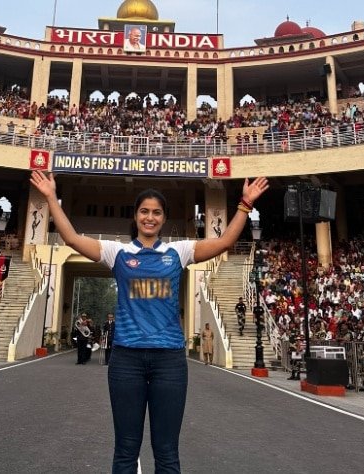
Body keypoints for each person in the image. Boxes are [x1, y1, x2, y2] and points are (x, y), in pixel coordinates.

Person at [29, 169, 268, 473]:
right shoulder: (117, 252)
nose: (150, 217)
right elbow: (72, 238)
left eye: (156, 212)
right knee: (126, 450)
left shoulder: (178, 252)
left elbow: (223, 243)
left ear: (164, 218)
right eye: (144, 211)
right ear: (136, 216)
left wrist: (244, 205)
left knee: (167, 452)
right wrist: (50, 196)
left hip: (169, 361)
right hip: (126, 360)